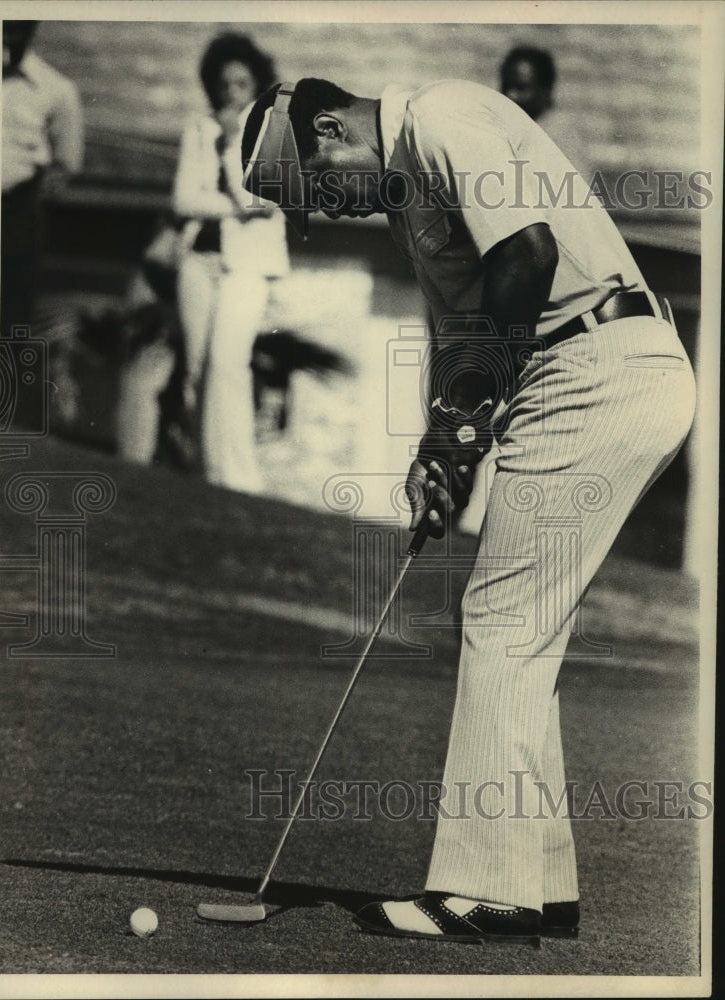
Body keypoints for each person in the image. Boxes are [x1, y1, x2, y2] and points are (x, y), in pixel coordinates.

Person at [239, 78, 696, 943]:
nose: (332, 208)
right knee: (520, 628)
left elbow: (527, 254)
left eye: (321, 185)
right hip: (577, 377)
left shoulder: (442, 117)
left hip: (599, 364)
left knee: (501, 617)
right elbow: (463, 341)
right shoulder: (410, 198)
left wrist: (462, 424)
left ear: (333, 126)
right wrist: (439, 452)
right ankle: (534, 888)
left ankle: (489, 889)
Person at [172, 32, 289, 494]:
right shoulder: (196, 128)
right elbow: (183, 200)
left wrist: (226, 149)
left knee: (228, 362)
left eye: (241, 84)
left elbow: (260, 198)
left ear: (256, 84)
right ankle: (206, 476)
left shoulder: (274, 131)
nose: (231, 93)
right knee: (199, 368)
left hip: (249, 265)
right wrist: (229, 205)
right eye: (223, 84)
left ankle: (239, 479)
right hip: (198, 261)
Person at [1, 20, 84, 339]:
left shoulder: (56, 89)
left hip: (17, 211)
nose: (7, 38)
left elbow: (66, 162)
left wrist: (24, 204)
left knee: (13, 310)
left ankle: (6, 388)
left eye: (16, 30)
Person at [499, 45, 591, 179]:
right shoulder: (504, 130)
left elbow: (576, 194)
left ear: (545, 91)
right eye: (506, 86)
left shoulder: (560, 136)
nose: (511, 95)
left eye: (521, 88)